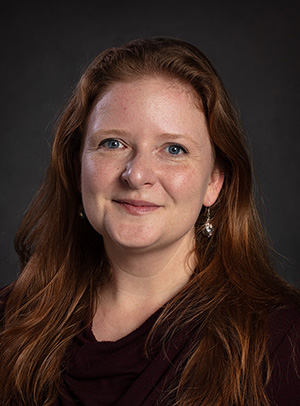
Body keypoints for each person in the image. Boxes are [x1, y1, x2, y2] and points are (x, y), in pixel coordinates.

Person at [0, 37, 299, 406]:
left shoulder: (283, 341)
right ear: (78, 168)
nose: (137, 174)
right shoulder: (9, 323)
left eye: (174, 149)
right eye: (113, 143)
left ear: (213, 183)